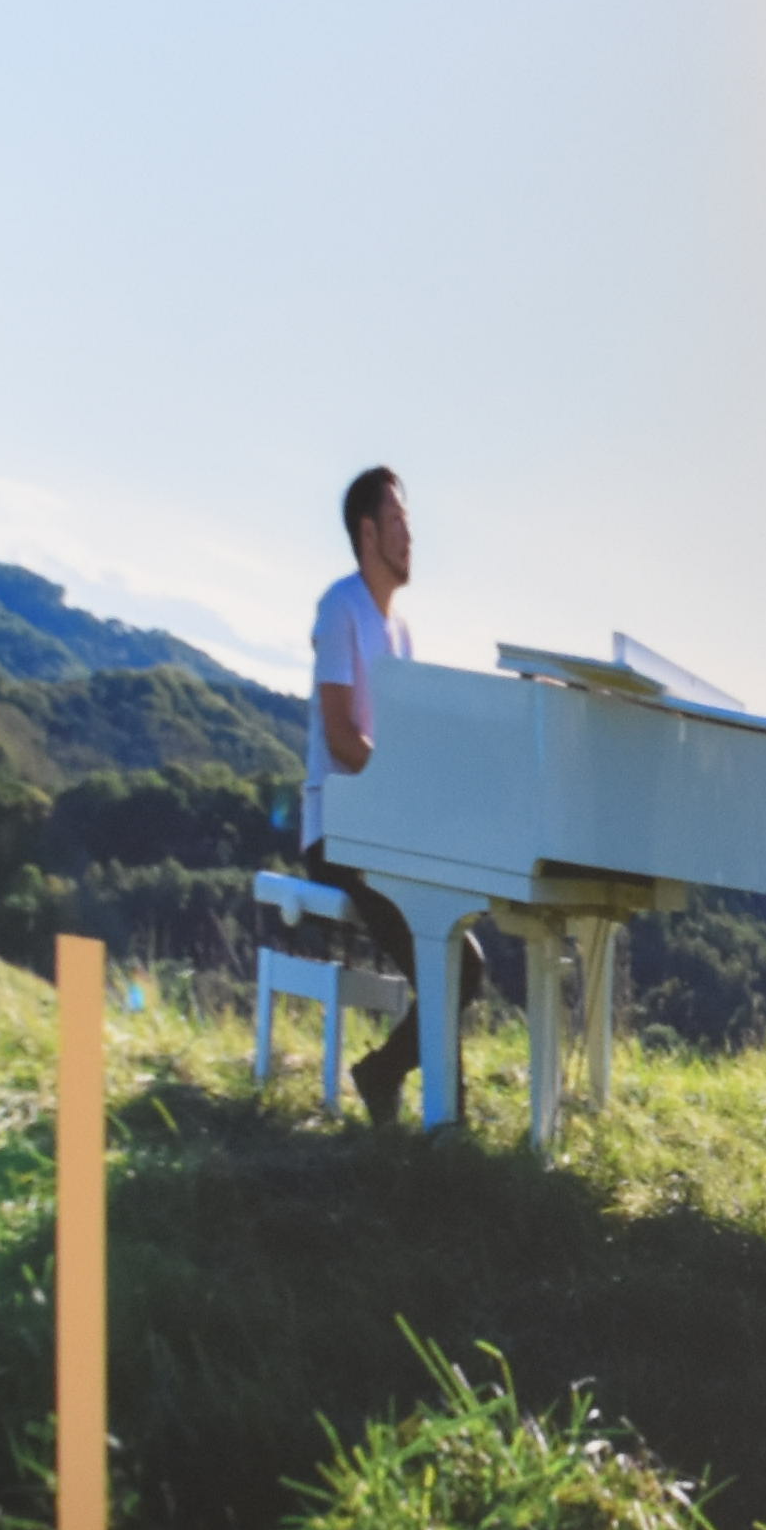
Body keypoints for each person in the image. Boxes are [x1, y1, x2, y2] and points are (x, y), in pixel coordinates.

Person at [303, 465, 471, 1121]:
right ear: (368, 531)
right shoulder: (339, 607)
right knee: (453, 967)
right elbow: (342, 737)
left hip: (382, 836)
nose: (410, 536)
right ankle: (435, 1115)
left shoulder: (401, 632)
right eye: (398, 520)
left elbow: (398, 745)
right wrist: (405, 797)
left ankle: (387, 1078)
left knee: (460, 965)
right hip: (338, 834)